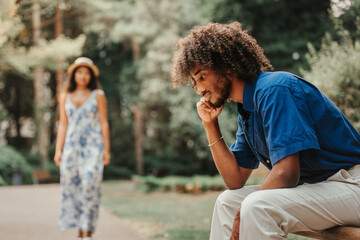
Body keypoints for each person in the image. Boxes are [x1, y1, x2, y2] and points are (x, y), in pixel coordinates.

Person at [171, 22, 360, 240]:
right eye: (195, 82)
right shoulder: (248, 110)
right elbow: (235, 180)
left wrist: (244, 212)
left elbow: (287, 173)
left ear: (226, 66)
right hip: (323, 189)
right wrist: (210, 125)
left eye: (202, 76)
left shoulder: (275, 89)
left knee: (255, 206)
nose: (199, 89)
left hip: (351, 186)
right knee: (227, 202)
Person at [54, 57, 111, 240]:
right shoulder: (65, 96)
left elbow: (103, 123)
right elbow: (63, 125)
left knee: (89, 185)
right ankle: (80, 229)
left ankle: (87, 230)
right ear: (74, 75)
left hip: (93, 147)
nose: (83, 76)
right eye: (80, 72)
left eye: (87, 72)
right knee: (72, 187)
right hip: (71, 148)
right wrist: (58, 150)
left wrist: (106, 149)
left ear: (91, 76)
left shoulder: (98, 95)